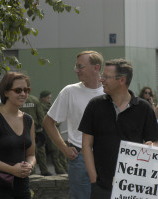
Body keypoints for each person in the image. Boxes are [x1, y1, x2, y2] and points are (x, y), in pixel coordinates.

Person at [80, 58, 158, 199]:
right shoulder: (95, 105)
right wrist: (94, 180)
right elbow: (86, 145)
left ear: (122, 80)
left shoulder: (144, 108)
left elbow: (154, 142)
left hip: (134, 187)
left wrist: (150, 147)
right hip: (102, 187)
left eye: (106, 76)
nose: (101, 80)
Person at [43, 50, 104, 199]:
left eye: (80, 66)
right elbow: (48, 122)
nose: (76, 70)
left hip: (106, 155)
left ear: (96, 68)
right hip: (80, 156)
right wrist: (64, 149)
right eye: (76, 66)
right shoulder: (69, 91)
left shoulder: (111, 91)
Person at [0, 72, 36, 199]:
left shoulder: (28, 119)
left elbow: (31, 154)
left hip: (22, 186)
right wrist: (11, 169)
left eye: (26, 90)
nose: (23, 94)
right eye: (18, 90)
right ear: (6, 92)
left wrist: (30, 165)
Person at [20, 94, 51, 176]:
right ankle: (44, 170)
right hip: (35, 129)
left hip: (20, 129)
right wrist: (40, 127)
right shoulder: (34, 100)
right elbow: (41, 115)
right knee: (40, 150)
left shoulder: (17, 100)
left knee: (26, 151)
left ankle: (31, 171)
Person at [39, 90, 67, 174]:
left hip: (56, 129)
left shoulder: (49, 105)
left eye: (50, 98)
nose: (49, 99)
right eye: (47, 98)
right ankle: (59, 169)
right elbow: (46, 120)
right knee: (55, 150)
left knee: (61, 150)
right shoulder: (40, 106)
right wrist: (56, 122)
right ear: (43, 98)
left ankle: (64, 167)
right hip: (49, 131)